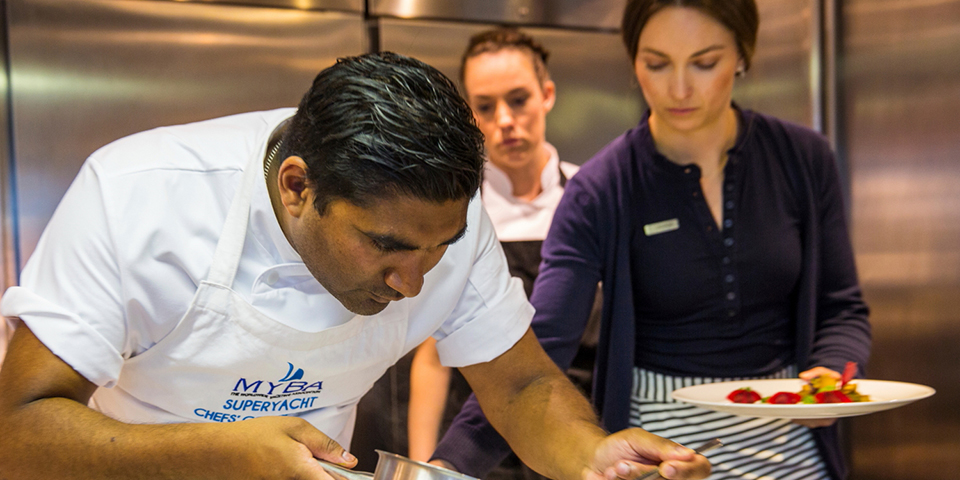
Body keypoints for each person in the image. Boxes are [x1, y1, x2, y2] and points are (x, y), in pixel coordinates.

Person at [0, 52, 710, 480]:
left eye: (439, 248)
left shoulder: (444, 219)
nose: (413, 282)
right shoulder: (136, 195)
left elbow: (520, 384)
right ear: (297, 188)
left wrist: (593, 458)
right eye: (384, 246)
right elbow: (18, 435)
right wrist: (217, 455)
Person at [431, 2, 872, 480]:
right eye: (657, 64)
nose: (678, 89)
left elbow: (841, 306)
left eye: (704, 63)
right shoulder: (602, 189)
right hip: (661, 452)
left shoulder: (804, 159)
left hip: (791, 446)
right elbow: (538, 353)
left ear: (742, 56)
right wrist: (445, 465)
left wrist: (831, 370)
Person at [405, 28, 599, 479]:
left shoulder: (590, 198)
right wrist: (421, 468)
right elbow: (432, 358)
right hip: (480, 449)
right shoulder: (457, 213)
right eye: (486, 107)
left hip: (577, 441)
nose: (505, 120)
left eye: (518, 100)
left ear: (547, 95)